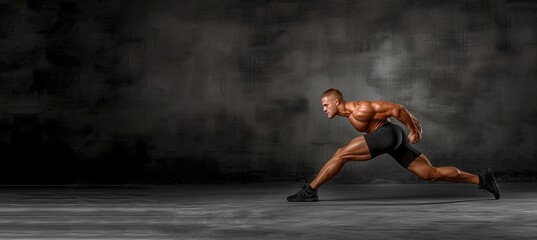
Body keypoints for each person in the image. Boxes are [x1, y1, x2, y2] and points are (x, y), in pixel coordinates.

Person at [287, 88, 500, 202]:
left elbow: (397, 109)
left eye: (325, 105)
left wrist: (414, 128)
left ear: (336, 101)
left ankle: (310, 191)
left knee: (341, 153)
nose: (324, 109)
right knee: (430, 173)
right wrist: (413, 126)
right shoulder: (350, 114)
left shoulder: (361, 109)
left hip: (388, 135)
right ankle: (483, 179)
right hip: (391, 138)